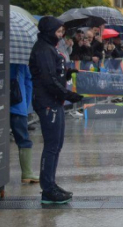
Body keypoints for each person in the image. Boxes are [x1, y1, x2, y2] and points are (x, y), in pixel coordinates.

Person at [29, 16, 85, 205]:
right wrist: (69, 95)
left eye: (62, 32)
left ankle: (51, 183)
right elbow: (47, 79)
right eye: (58, 32)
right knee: (52, 145)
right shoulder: (42, 49)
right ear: (48, 31)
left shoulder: (50, 48)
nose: (61, 36)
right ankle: (47, 188)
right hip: (47, 102)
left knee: (57, 144)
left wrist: (67, 74)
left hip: (55, 101)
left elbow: (55, 73)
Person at [9, 61, 38, 184]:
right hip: (17, 104)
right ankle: (27, 173)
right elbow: (28, 82)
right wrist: (25, 106)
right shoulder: (21, 60)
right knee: (23, 139)